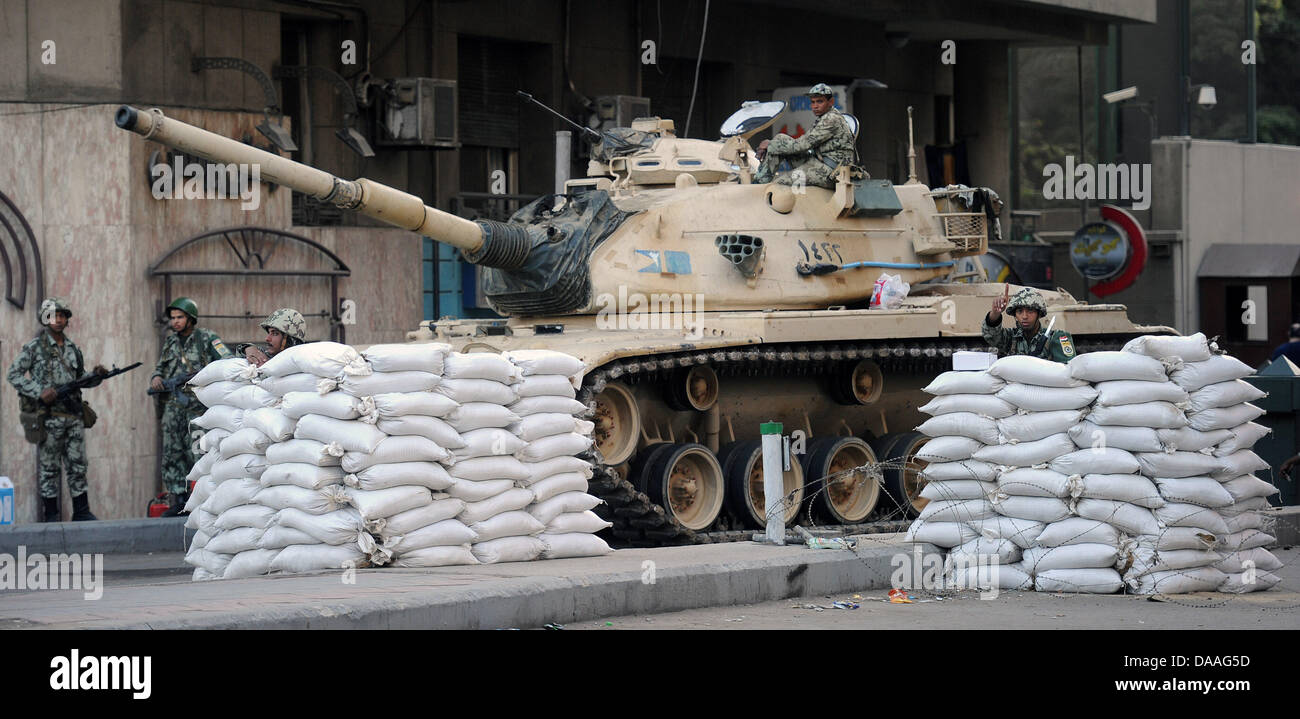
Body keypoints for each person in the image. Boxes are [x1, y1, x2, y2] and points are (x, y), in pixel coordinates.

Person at [6, 297, 107, 522]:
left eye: (62, 315)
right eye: (53, 316)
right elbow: (13, 374)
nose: (59, 320)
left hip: (73, 417)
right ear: (45, 319)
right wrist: (39, 391)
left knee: (78, 464)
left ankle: (81, 511)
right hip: (50, 418)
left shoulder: (73, 349)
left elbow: (81, 380)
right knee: (49, 467)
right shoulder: (35, 348)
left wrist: (96, 376)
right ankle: (51, 515)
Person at [149, 297, 232, 515]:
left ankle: (201, 499)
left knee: (199, 454)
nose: (175, 322)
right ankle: (178, 500)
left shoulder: (207, 338)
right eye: (173, 318)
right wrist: (157, 378)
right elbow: (161, 368)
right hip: (173, 408)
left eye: (180, 317)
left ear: (191, 318)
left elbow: (227, 360)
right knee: (172, 454)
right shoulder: (170, 343)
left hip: (198, 410)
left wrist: (203, 375)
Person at [754, 83, 855, 189]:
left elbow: (802, 145)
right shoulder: (824, 117)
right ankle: (759, 184)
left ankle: (760, 189)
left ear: (831, 102)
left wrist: (769, 144)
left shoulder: (831, 119)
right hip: (819, 163)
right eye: (812, 102)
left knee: (779, 184)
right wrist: (773, 145)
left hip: (832, 173)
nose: (815, 106)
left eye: (820, 101)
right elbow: (802, 143)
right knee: (781, 138)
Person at [982, 286, 1076, 363]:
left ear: (1039, 314)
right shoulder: (1011, 338)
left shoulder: (1055, 338)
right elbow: (991, 335)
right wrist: (995, 313)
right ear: (1015, 315)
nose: (1024, 316)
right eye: (1019, 311)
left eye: (1030, 311)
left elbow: (1067, 370)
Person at [239, 308, 308, 367]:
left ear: (291, 339)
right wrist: (247, 348)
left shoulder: (305, 361)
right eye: (269, 333)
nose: (267, 339)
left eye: (275, 333)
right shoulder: (267, 357)